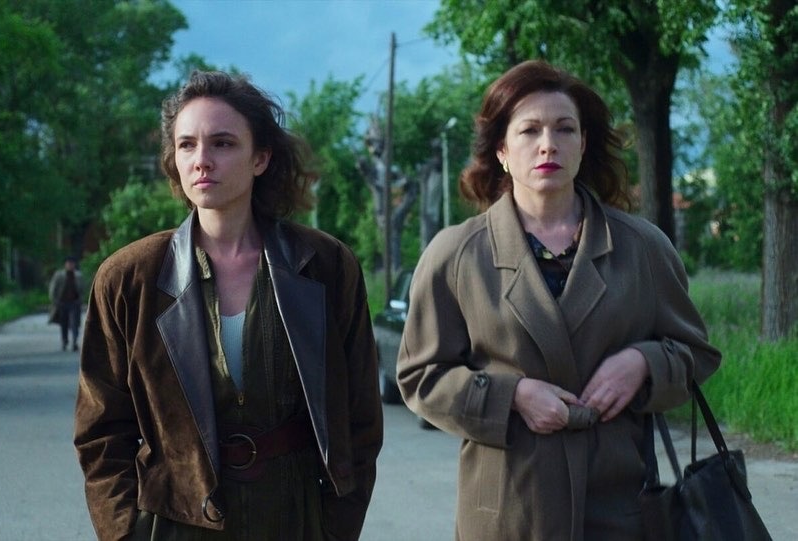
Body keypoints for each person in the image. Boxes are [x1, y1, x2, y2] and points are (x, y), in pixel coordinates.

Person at [396, 60, 721, 540]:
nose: (548, 143)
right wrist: (512, 396)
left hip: (620, 509)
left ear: (583, 144)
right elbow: (420, 377)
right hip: (507, 513)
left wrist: (644, 362)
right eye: (529, 130)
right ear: (502, 150)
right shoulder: (457, 254)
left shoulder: (643, 247)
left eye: (564, 129)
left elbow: (697, 353)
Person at [74, 71, 383, 541]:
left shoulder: (325, 266)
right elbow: (101, 432)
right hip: (171, 522)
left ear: (260, 157)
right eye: (187, 145)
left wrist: (336, 526)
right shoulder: (128, 278)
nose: (202, 160)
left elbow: (359, 418)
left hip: (295, 518)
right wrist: (125, 532)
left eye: (222, 143)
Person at [48, 255, 84, 351]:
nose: (70, 265)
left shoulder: (78, 276)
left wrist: (80, 300)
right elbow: (53, 288)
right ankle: (65, 340)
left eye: (72, 264)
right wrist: (54, 300)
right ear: (65, 264)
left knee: (75, 323)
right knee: (64, 323)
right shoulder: (59, 275)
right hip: (62, 303)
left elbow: (82, 289)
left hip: (74, 303)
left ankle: (75, 342)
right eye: (69, 263)